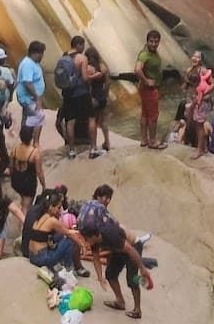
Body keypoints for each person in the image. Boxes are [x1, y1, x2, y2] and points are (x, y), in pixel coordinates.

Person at [78, 184, 154, 316]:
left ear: (96, 236)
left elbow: (130, 250)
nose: (87, 241)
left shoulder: (109, 233)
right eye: (106, 197)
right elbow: (96, 258)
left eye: (87, 239)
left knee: (132, 279)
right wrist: (100, 277)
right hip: (118, 249)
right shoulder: (91, 233)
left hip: (133, 246)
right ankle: (120, 302)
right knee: (110, 274)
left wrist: (142, 268)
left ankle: (137, 310)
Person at [23, 187, 85, 277]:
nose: (59, 210)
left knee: (60, 237)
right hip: (42, 258)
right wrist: (82, 245)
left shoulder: (40, 216)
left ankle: (63, 267)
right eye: (58, 208)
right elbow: (68, 233)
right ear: (51, 207)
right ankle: (69, 269)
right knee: (70, 241)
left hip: (32, 256)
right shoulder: (52, 221)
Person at [56, 34, 92, 158]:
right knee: (91, 118)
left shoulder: (63, 58)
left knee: (70, 122)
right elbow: (85, 78)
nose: (83, 48)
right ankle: (92, 148)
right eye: (83, 45)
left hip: (67, 94)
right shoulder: (82, 58)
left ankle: (71, 150)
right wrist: (94, 76)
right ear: (78, 45)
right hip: (81, 93)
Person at [135, 29, 164, 150]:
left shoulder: (151, 52)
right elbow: (137, 69)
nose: (154, 44)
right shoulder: (145, 54)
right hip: (149, 89)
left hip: (146, 89)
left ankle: (144, 140)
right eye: (151, 41)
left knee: (145, 114)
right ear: (147, 41)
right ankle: (152, 141)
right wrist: (147, 80)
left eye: (156, 41)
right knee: (153, 116)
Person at [8, 120, 45, 208]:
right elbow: (39, 172)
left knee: (22, 202)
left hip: (16, 180)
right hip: (28, 183)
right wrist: (43, 185)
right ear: (31, 136)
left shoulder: (15, 149)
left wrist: (13, 178)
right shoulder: (35, 153)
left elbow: (11, 166)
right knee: (26, 207)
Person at [86, 43, 111, 158]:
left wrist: (90, 97)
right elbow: (108, 83)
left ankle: (93, 146)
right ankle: (107, 142)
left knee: (93, 122)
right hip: (102, 96)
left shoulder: (88, 69)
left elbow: (88, 85)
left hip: (93, 96)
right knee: (104, 121)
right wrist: (106, 95)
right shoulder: (103, 67)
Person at [16, 38, 47, 128]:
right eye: (41, 54)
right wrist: (37, 97)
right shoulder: (27, 64)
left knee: (29, 119)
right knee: (36, 119)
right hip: (29, 98)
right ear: (35, 53)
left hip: (32, 98)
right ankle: (28, 136)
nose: (42, 56)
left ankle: (26, 136)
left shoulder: (33, 63)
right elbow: (27, 83)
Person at [190, 66, 214, 160]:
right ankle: (204, 147)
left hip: (201, 105)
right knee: (200, 125)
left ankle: (199, 149)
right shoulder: (202, 77)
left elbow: (198, 100)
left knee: (199, 127)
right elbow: (209, 73)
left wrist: (192, 106)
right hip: (205, 104)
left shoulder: (198, 87)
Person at [181, 52, 205, 150]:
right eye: (194, 56)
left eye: (198, 57)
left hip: (199, 99)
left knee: (199, 124)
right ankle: (191, 143)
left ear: (201, 60)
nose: (195, 58)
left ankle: (201, 147)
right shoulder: (189, 70)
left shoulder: (203, 71)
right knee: (189, 121)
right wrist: (184, 84)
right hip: (190, 97)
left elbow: (212, 84)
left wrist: (204, 95)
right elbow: (185, 85)